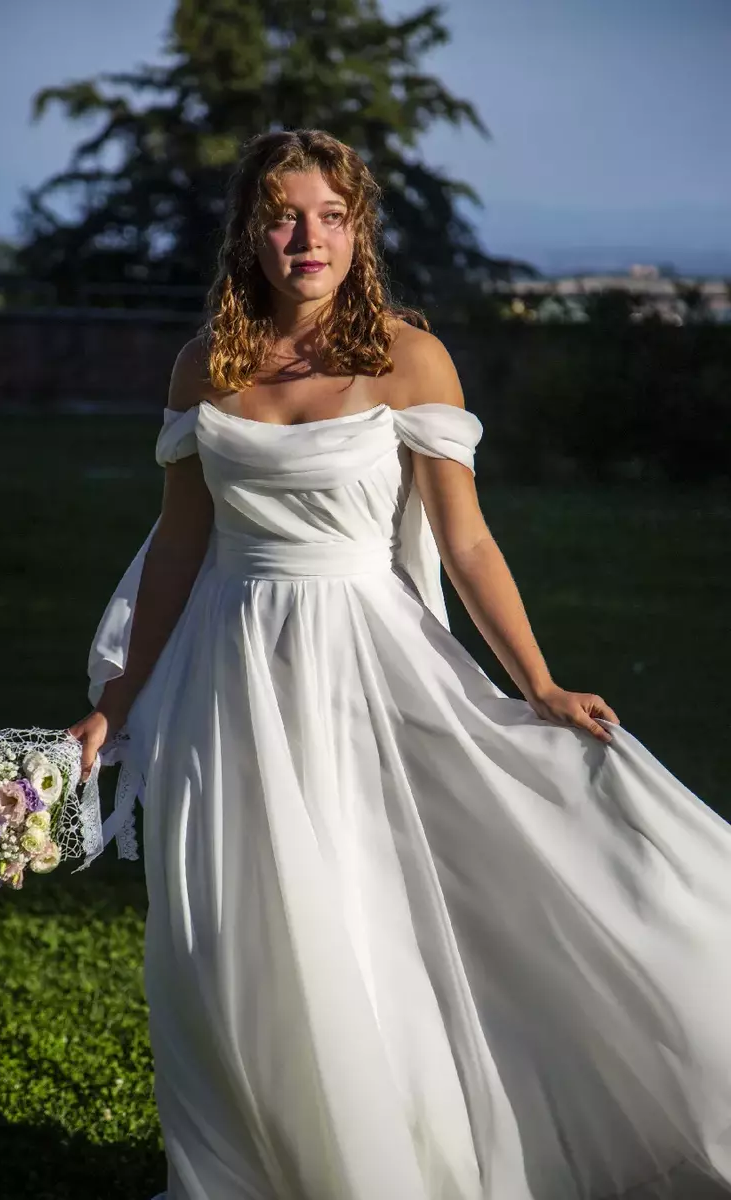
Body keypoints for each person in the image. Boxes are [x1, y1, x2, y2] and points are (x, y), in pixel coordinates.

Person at [69, 129, 731, 1200]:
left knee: (358, 908)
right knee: (233, 929)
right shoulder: (203, 364)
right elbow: (180, 547)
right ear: (249, 228)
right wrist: (117, 700)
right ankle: (255, 1163)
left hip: (361, 663)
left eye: (330, 215)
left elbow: (464, 542)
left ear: (358, 230)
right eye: (283, 215)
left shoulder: (406, 359)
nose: (306, 237)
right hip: (227, 674)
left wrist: (538, 684)